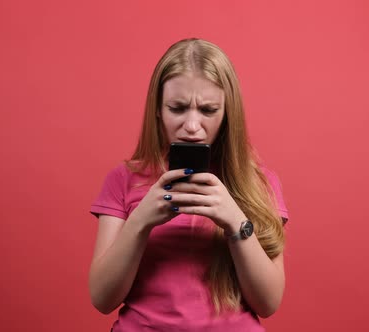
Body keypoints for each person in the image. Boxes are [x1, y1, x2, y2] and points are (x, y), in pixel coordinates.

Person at [89, 38, 289, 332]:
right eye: (178, 108)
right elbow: (102, 299)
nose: (192, 126)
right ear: (158, 109)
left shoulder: (259, 183)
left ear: (226, 114)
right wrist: (140, 222)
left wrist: (236, 222)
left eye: (208, 110)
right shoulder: (123, 179)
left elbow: (268, 303)